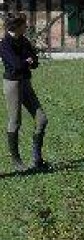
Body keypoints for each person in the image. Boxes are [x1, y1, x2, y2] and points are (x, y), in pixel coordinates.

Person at [1, 13, 49, 173]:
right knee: (15, 121)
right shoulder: (4, 44)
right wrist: (25, 61)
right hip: (12, 84)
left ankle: (37, 159)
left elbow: (34, 62)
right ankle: (16, 161)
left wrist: (28, 61)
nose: (26, 27)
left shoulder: (23, 40)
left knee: (42, 119)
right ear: (16, 26)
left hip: (25, 83)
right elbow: (15, 65)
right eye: (24, 24)